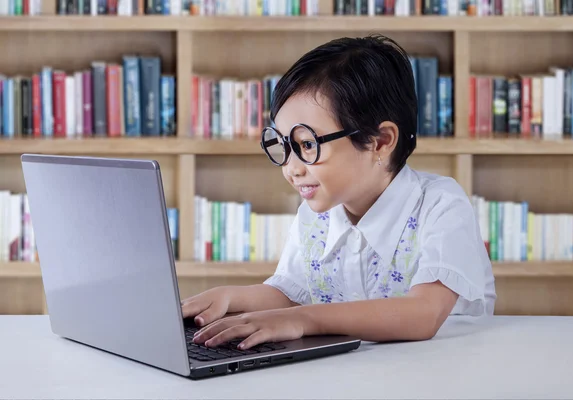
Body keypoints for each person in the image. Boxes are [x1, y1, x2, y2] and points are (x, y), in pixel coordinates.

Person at [182, 34, 496, 350]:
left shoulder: (441, 205)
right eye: (283, 145)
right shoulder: (314, 213)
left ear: (381, 142)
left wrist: (304, 319)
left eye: (307, 145)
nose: (291, 168)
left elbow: (424, 314)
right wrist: (227, 298)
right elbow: (289, 294)